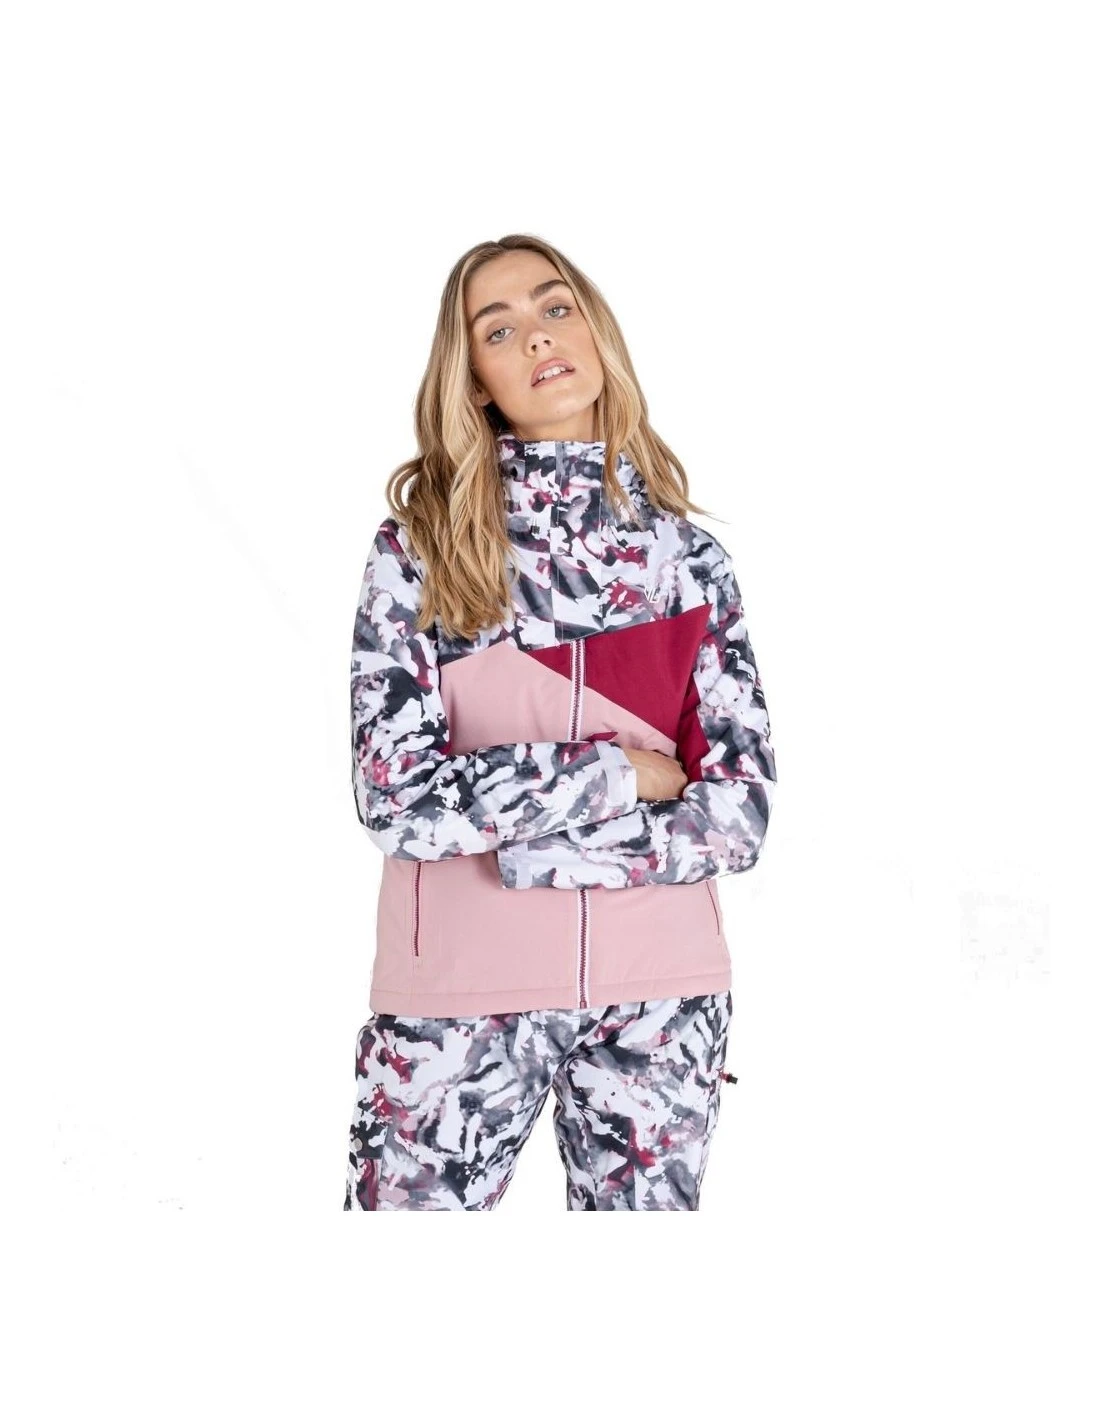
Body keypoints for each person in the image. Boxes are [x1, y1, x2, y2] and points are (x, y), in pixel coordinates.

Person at [344, 234, 777, 1211]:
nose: (538, 337)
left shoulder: (687, 561)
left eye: (554, 307)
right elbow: (397, 802)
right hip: (457, 999)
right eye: (498, 329)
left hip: (661, 998)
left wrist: (533, 853)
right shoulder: (418, 553)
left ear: (595, 330)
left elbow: (739, 816)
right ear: (474, 379)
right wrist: (620, 774)